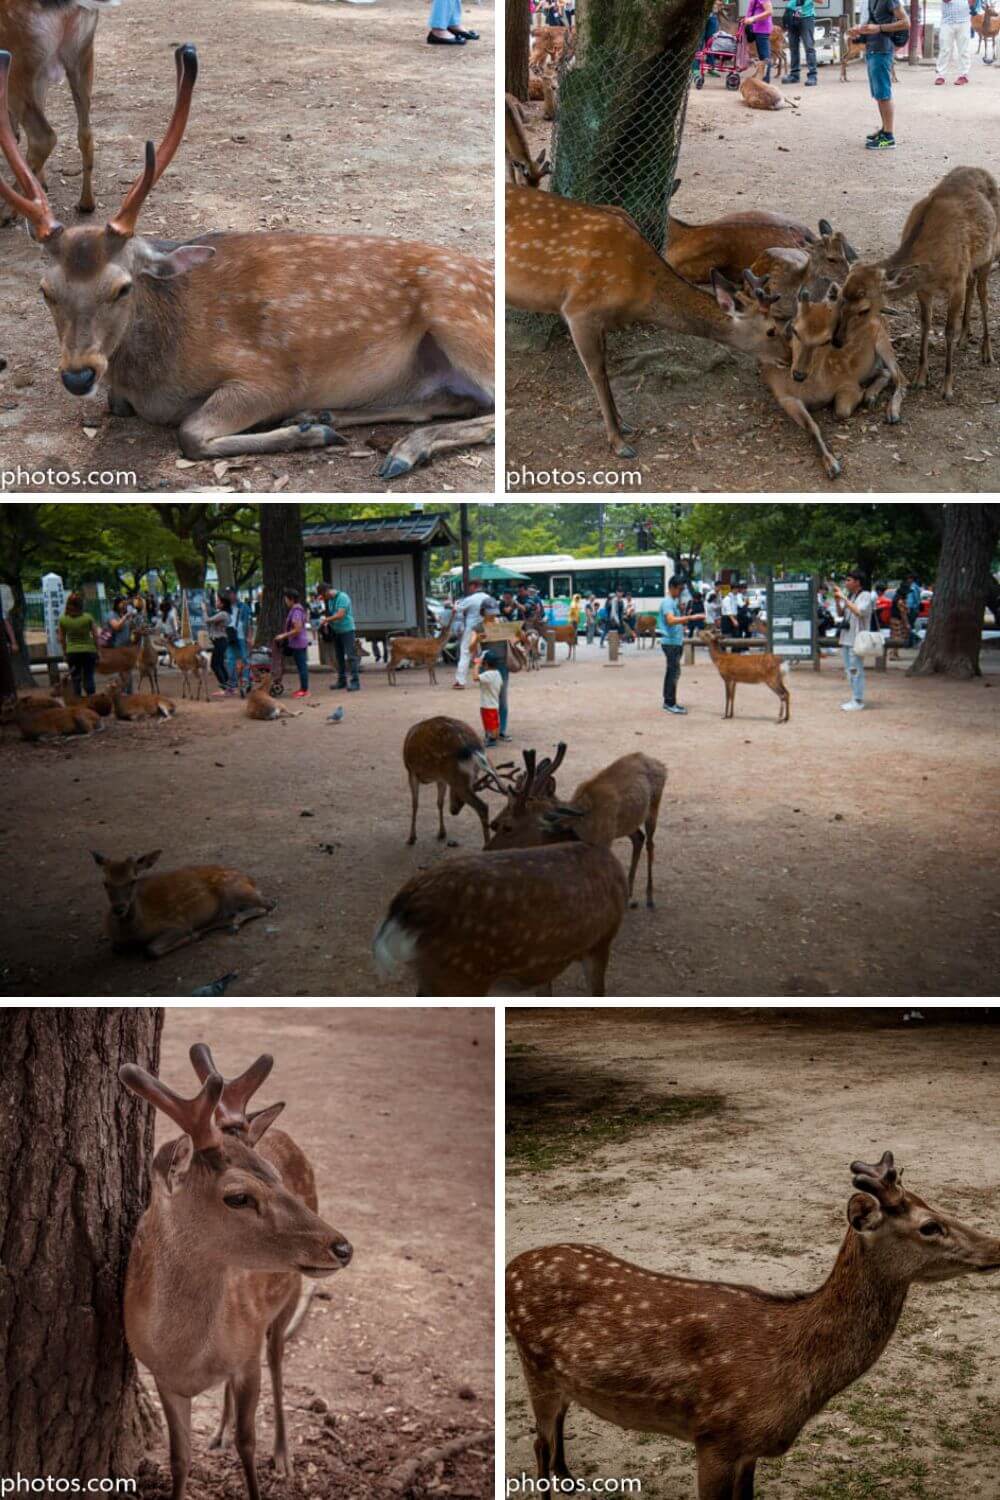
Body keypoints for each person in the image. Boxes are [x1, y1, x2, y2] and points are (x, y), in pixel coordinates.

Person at [848, 0, 908, 149]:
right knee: (879, 95)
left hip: (882, 49)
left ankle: (888, 137)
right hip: (872, 48)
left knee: (883, 94)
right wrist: (859, 30)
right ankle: (884, 129)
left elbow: (906, 22)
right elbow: (872, 24)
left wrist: (879, 28)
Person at [658, 576, 705, 715]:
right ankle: (669, 703)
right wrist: (690, 618)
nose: (681, 591)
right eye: (680, 589)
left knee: (673, 672)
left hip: (674, 642)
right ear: (672, 587)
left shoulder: (672, 601)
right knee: (673, 673)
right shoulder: (667, 602)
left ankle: (669, 701)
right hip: (671, 643)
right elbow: (671, 620)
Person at [833, 568, 874, 711]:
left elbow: (859, 612)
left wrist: (843, 597)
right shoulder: (850, 596)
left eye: (849, 580)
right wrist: (838, 601)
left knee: (856, 669)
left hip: (858, 639)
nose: (846, 582)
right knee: (849, 670)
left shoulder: (866, 595)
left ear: (858, 582)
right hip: (846, 638)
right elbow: (840, 613)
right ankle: (854, 697)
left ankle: (858, 700)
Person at [317, 581, 360, 693]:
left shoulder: (343, 597)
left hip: (347, 630)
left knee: (351, 656)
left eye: (323, 595)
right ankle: (342, 680)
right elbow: (333, 615)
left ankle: (355, 682)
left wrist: (327, 619)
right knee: (339, 657)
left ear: (327, 591)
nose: (323, 598)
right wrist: (328, 624)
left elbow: (340, 615)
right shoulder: (330, 600)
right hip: (337, 631)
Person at [58, 592, 101, 696]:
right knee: (89, 676)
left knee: (75, 678)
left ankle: (77, 702)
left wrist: (64, 653)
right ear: (81, 604)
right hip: (89, 651)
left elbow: (62, 638)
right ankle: (91, 700)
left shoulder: (63, 619)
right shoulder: (88, 617)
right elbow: (96, 636)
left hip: (72, 652)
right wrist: (98, 650)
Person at [453, 588, 495, 689]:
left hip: (471, 628)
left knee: (465, 653)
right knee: (486, 652)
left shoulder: (470, 599)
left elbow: (456, 609)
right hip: (486, 627)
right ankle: (489, 678)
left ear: (474, 587)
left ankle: (460, 681)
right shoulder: (488, 598)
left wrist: (455, 603)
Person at [274, 588, 310, 698]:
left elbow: (297, 629)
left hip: (298, 643)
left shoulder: (296, 612)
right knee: (301, 666)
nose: (285, 601)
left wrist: (283, 636)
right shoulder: (296, 610)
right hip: (297, 642)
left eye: (286, 599)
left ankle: (304, 690)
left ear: (291, 599)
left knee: (302, 666)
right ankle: (303, 689)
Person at [472, 649, 504, 747]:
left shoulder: (488, 674)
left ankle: (492, 740)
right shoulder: (497, 673)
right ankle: (492, 737)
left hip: (487, 705)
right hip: (494, 703)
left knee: (490, 724)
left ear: (485, 663)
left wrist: (477, 664)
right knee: (494, 723)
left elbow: (475, 677)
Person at [782, 0, 818, 85]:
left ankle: (812, 76)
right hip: (792, 15)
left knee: (809, 47)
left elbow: (821, 1)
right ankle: (794, 75)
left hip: (807, 17)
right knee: (793, 47)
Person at [936, 0, 972, 83]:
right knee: (944, 49)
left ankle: (964, 75)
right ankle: (941, 75)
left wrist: (971, 3)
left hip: (964, 21)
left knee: (964, 49)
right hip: (947, 22)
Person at [225, 591, 251, 696]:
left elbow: (248, 623)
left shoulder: (243, 607)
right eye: (228, 594)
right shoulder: (225, 607)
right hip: (230, 636)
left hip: (241, 636)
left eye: (231, 593)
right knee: (230, 659)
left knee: (245, 658)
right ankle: (233, 683)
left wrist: (249, 637)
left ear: (235, 594)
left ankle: (245, 680)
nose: (230, 596)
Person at [206, 594, 231, 695]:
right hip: (219, 641)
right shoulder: (222, 613)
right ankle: (229, 687)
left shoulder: (223, 614)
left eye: (218, 601)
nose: (216, 603)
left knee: (214, 664)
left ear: (223, 604)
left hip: (220, 641)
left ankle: (225, 688)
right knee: (219, 664)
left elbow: (207, 620)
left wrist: (203, 610)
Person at [746, 0, 775, 80]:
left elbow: (769, 11)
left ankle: (765, 82)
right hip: (755, 28)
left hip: (762, 29)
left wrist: (753, 18)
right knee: (762, 57)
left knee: (764, 58)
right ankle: (763, 81)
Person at [888, 585, 910, 660]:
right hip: (897, 620)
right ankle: (893, 654)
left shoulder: (895, 599)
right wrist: (906, 623)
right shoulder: (900, 601)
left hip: (893, 619)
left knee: (894, 636)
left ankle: (894, 653)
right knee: (897, 637)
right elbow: (903, 613)